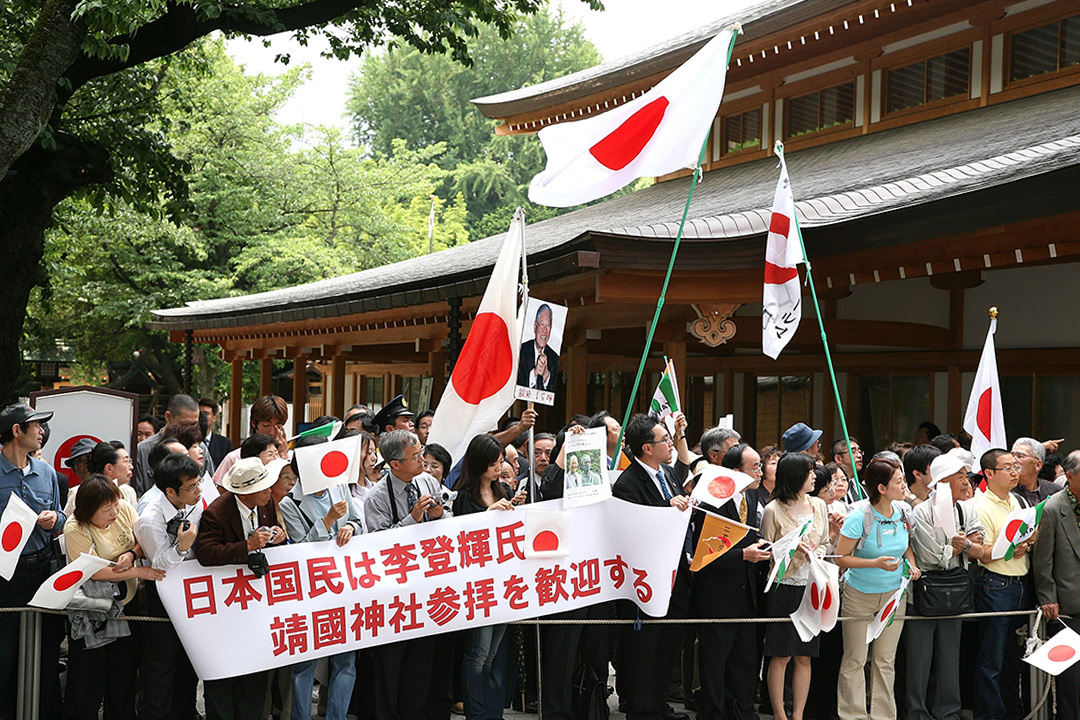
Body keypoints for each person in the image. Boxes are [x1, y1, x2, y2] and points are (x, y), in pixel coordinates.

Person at [364, 430, 452, 720]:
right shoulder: (376, 497)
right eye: (415, 458)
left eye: (421, 453)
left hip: (426, 587)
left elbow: (449, 521)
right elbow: (378, 545)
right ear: (394, 464)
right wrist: (412, 519)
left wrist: (439, 514)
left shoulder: (427, 481)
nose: (422, 462)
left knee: (420, 664)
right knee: (389, 665)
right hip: (391, 594)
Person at [63, 475, 164, 720]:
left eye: (116, 505)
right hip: (91, 612)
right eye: (106, 509)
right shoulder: (75, 528)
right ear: (88, 510)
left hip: (126, 605)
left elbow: (143, 538)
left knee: (123, 675)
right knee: (87, 678)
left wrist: (132, 553)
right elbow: (94, 572)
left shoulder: (125, 509)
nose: (114, 512)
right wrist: (139, 571)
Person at [612, 413, 693, 720]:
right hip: (644, 580)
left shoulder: (668, 475)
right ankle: (642, 707)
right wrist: (666, 507)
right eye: (665, 440)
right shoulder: (628, 482)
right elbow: (631, 526)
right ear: (646, 448)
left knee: (668, 646)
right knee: (644, 649)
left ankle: (659, 703)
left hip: (675, 576)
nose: (670, 444)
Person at [195, 458, 286, 720]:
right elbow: (206, 553)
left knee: (255, 677)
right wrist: (246, 546)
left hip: (258, 602)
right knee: (223, 679)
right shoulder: (216, 512)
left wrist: (278, 534)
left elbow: (274, 532)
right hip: (225, 606)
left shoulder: (266, 502)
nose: (271, 490)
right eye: (264, 486)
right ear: (245, 492)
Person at [280, 437, 362, 720]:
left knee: (346, 660)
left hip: (346, 584)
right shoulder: (290, 502)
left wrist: (349, 526)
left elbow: (359, 521)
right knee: (305, 663)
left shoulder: (339, 486)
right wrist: (326, 522)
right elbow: (300, 545)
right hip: (312, 588)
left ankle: (336, 716)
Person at [835, 457, 921, 720]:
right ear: (881, 488)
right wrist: (875, 563)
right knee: (855, 659)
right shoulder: (859, 516)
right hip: (859, 595)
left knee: (885, 660)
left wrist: (912, 565)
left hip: (895, 596)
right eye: (899, 481)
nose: (904, 485)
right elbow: (841, 558)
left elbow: (907, 545)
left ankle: (884, 716)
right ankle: (853, 715)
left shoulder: (904, 511)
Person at [690, 439, 770, 720]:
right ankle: (713, 712)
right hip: (717, 594)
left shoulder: (750, 497)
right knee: (715, 660)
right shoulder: (713, 500)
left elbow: (749, 539)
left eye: (761, 466)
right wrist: (742, 556)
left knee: (746, 658)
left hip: (746, 592)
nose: (760, 473)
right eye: (755, 467)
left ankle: (742, 709)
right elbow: (703, 556)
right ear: (735, 471)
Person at [907, 453, 986, 720]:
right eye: (961, 477)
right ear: (942, 481)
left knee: (950, 657)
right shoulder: (921, 511)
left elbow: (977, 545)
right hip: (925, 590)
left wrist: (960, 546)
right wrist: (958, 546)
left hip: (955, 588)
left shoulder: (967, 508)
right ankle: (916, 713)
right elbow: (929, 556)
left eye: (967, 476)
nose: (968, 483)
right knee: (919, 658)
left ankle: (948, 712)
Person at [0, 403, 64, 720]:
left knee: (45, 650)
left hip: (41, 570)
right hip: (3, 577)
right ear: (17, 431)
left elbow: (63, 515)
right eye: (36, 425)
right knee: (5, 652)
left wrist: (56, 518)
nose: (42, 432)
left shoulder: (47, 473)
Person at [451, 434, 518, 720]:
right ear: (479, 464)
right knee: (477, 653)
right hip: (478, 585)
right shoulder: (464, 495)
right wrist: (488, 513)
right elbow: (462, 535)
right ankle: (476, 713)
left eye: (500, 462)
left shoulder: (502, 490)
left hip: (504, 582)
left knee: (494, 653)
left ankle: (494, 712)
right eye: (492, 463)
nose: (498, 468)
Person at [133, 453, 204, 720]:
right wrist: (182, 546)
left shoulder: (195, 504)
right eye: (192, 487)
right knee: (162, 660)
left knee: (189, 658)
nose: (198, 491)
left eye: (198, 483)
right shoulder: (150, 519)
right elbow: (159, 564)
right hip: (163, 592)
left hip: (193, 588)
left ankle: (185, 712)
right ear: (170, 490)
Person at [761, 453, 830, 720]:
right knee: (781, 655)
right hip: (785, 586)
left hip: (812, 584)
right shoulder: (773, 510)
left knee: (804, 656)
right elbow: (766, 550)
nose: (814, 476)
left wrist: (818, 552)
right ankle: (779, 713)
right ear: (794, 476)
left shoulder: (819, 506)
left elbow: (824, 541)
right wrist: (790, 547)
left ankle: (798, 714)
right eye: (810, 472)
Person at [973, 448, 1033, 720]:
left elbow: (1030, 533)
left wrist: (1027, 542)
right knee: (992, 658)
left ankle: (1012, 711)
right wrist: (1010, 548)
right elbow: (981, 552)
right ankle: (990, 714)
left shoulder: (1018, 500)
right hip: (996, 584)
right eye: (1007, 468)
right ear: (989, 473)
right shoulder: (980, 506)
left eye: (1015, 467)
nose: (1013, 472)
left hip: (1021, 582)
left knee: (1014, 658)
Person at [1033, 449, 1080, 718]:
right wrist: (1047, 597)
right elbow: (1043, 561)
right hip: (1066, 605)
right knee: (1070, 680)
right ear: (1070, 477)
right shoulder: (1053, 508)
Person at [211, 395, 289, 484]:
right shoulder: (234, 457)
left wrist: (284, 457)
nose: (272, 432)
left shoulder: (289, 456)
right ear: (254, 424)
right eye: (266, 425)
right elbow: (219, 490)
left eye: (278, 426)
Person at [135, 393, 201, 495]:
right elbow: (136, 493)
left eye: (194, 424)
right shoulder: (143, 450)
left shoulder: (199, 448)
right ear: (168, 417)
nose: (189, 429)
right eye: (184, 424)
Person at [517, 303, 559, 391]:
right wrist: (535, 373)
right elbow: (518, 383)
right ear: (535, 326)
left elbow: (554, 390)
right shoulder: (522, 350)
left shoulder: (554, 357)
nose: (544, 330)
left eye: (548, 325)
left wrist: (546, 375)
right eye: (542, 324)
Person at [1011, 436, 1062, 507]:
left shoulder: (1056, 492)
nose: (1013, 460)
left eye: (1020, 456)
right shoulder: (1004, 491)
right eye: (1012, 455)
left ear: (1038, 465)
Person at [199, 397, 234, 468]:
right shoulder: (190, 441)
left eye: (206, 413)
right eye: (200, 414)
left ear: (214, 418)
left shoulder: (225, 443)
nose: (202, 417)